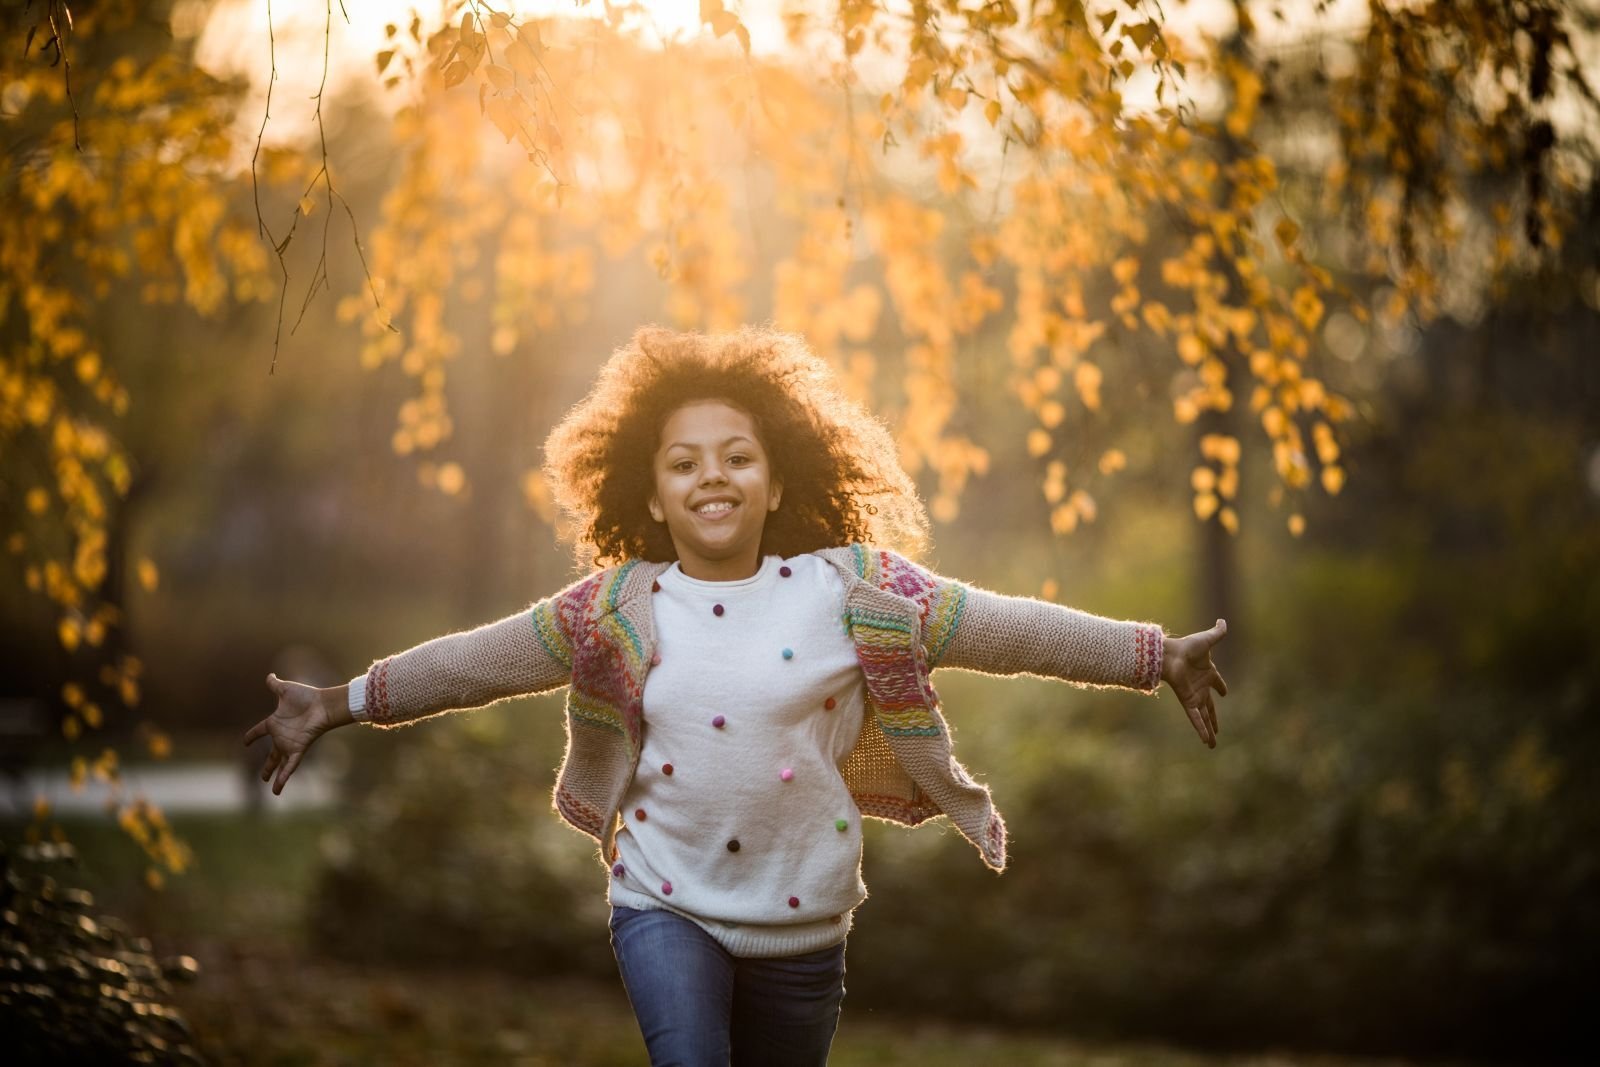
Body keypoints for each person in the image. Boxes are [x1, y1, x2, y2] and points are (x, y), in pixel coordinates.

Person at [243, 324, 1229, 1067]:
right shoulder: (615, 606)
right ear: (652, 494)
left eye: (736, 457)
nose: (710, 476)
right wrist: (337, 701)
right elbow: (479, 661)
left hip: (806, 920)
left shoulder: (858, 589)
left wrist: (1154, 654)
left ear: (774, 481)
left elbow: (1007, 627)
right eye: (684, 463)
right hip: (662, 900)